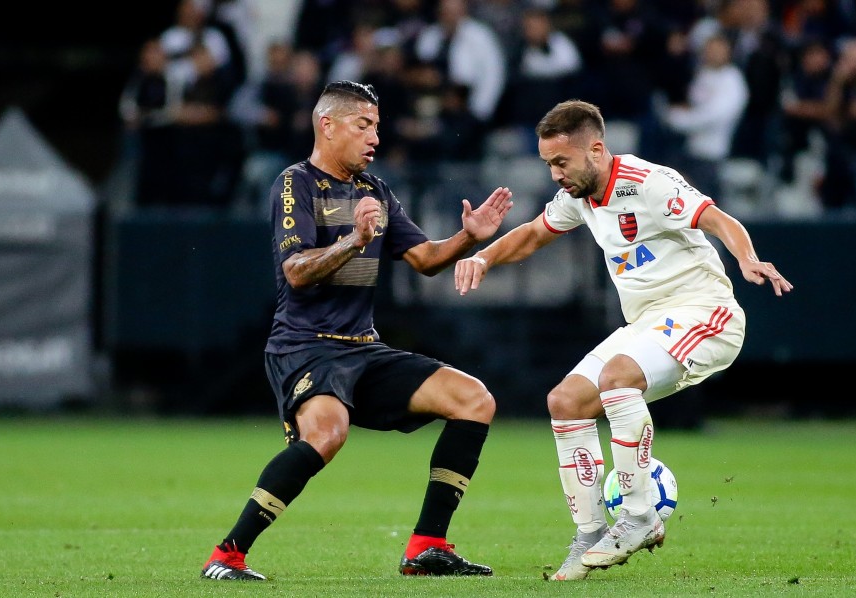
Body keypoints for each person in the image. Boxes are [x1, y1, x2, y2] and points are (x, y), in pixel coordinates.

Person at [453, 100, 792, 581]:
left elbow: (719, 220)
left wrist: (746, 258)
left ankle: (638, 516)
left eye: (560, 162)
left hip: (704, 310)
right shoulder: (578, 195)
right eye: (548, 163)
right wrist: (484, 259)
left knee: (617, 378)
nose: (554, 174)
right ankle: (590, 532)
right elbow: (531, 234)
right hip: (647, 323)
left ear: (595, 149)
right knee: (565, 401)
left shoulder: (649, 181)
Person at [200, 80, 513, 581]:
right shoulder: (295, 183)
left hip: (364, 349)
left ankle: (427, 546)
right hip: (304, 346)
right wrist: (354, 240)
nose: (374, 138)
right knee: (327, 433)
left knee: (474, 399)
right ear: (328, 125)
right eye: (363, 125)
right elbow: (296, 271)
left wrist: (467, 238)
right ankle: (227, 556)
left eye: (377, 128)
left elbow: (426, 259)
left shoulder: (374, 190)